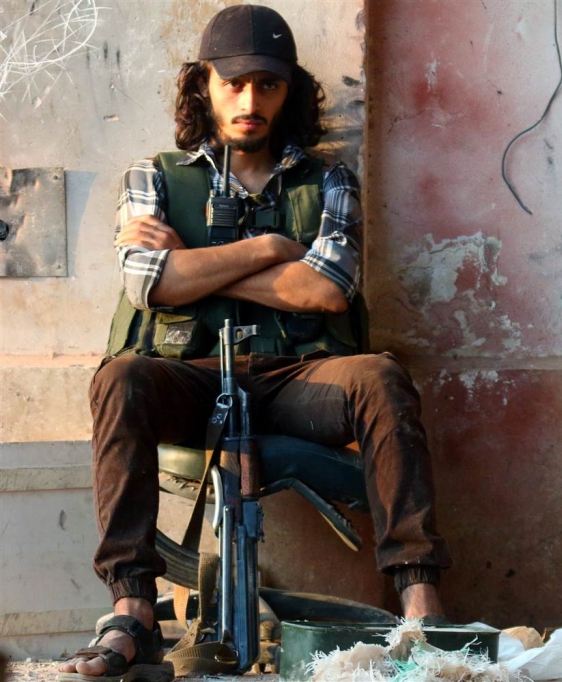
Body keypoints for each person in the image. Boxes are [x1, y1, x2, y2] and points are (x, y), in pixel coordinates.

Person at [59, 6, 452, 680]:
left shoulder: (329, 180)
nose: (249, 101)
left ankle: (420, 600)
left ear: (289, 91)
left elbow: (326, 289)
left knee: (380, 378)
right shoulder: (153, 174)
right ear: (202, 86)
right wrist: (273, 251)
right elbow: (149, 283)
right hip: (187, 375)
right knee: (120, 378)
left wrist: (199, 267)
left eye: (267, 85)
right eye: (233, 84)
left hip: (297, 377)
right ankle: (134, 611)